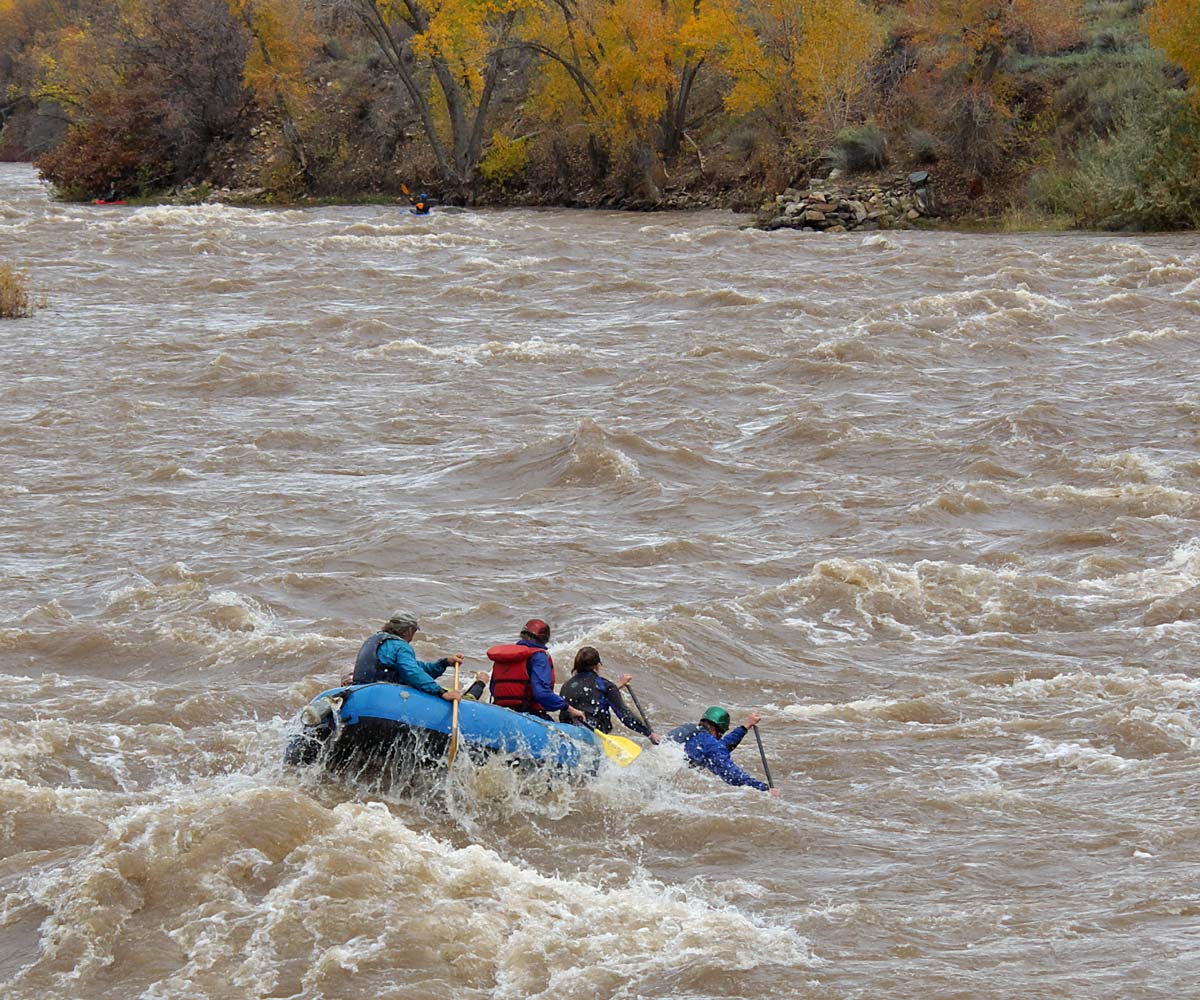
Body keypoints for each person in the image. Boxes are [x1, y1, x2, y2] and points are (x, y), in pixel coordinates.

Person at [349, 610, 464, 702]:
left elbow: (418, 669)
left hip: (360, 692)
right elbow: (411, 672)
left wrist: (444, 663)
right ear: (409, 630)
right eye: (414, 631)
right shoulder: (401, 646)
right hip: (381, 696)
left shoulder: (374, 640)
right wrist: (441, 692)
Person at [667, 707, 781, 797]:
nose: (719, 738)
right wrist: (764, 788)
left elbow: (721, 746)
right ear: (714, 730)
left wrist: (746, 726)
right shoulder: (710, 745)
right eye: (720, 735)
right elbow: (733, 775)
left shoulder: (690, 731)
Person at [488, 619, 585, 722]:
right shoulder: (539, 657)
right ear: (544, 639)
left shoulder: (506, 656)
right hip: (527, 714)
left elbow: (493, 689)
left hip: (500, 713)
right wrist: (569, 709)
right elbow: (541, 694)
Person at [558, 646, 660, 743]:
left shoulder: (566, 686)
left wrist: (618, 685)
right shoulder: (605, 686)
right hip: (594, 736)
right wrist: (649, 733)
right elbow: (625, 716)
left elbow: (591, 694)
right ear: (598, 665)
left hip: (568, 734)